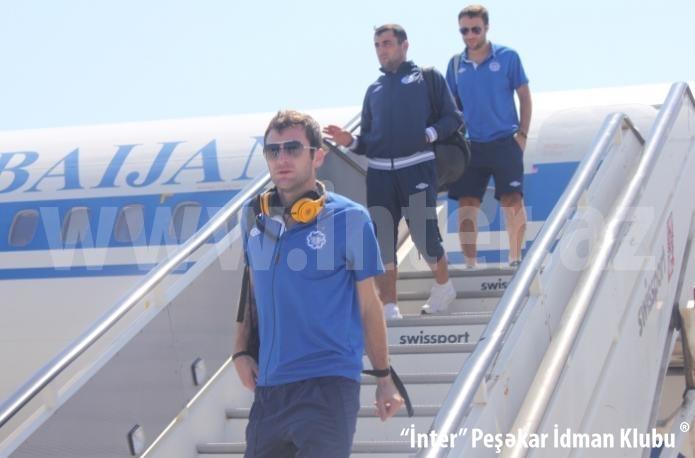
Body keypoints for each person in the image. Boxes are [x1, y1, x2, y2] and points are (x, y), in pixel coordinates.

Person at [233, 110, 404, 458]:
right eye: (273, 150)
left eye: (293, 149)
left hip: (328, 384)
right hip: (270, 388)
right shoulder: (253, 217)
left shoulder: (351, 218)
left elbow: (369, 305)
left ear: (318, 156)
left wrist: (383, 378)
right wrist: (241, 349)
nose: (282, 159)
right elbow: (250, 289)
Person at [324, 24, 463, 318]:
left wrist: (428, 135)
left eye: (387, 43)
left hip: (417, 167)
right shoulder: (373, 90)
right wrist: (350, 141)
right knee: (383, 241)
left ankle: (444, 286)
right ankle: (389, 306)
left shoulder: (427, 77)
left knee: (424, 235)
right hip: (380, 174)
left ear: (404, 45)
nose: (381, 50)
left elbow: (453, 118)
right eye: (377, 45)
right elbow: (367, 141)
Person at [445, 4, 532, 268]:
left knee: (511, 200)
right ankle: (470, 264)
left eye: (475, 29)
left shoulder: (508, 57)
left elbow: (525, 97)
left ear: (486, 28)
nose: (470, 35)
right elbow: (451, 107)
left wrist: (522, 135)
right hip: (471, 145)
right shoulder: (455, 64)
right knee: (467, 204)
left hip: (505, 141)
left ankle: (515, 258)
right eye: (464, 31)